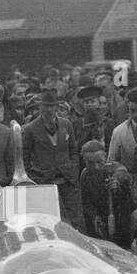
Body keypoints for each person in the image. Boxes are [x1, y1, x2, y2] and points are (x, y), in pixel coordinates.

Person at [19, 89, 81, 226]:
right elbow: (25, 157)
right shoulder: (30, 129)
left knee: (73, 221)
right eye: (46, 106)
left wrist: (73, 169)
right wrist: (34, 177)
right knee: (48, 222)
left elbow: (73, 150)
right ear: (40, 107)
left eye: (52, 106)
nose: (49, 110)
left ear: (57, 107)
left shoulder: (66, 124)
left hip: (67, 180)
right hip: (44, 182)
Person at [79, 140, 134, 245]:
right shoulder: (85, 176)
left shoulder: (116, 168)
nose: (96, 167)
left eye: (99, 162)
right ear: (84, 160)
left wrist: (116, 183)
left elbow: (123, 175)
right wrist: (95, 217)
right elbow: (86, 203)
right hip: (100, 224)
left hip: (122, 221)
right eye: (90, 163)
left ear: (105, 157)